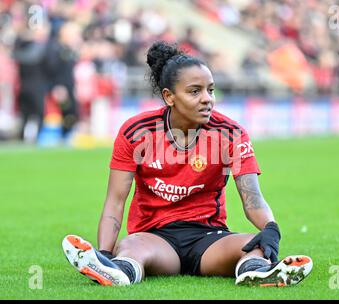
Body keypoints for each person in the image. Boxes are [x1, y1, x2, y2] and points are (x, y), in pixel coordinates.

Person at [62, 41, 313, 287]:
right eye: (195, 91)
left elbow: (252, 197)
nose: (207, 99)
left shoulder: (231, 134)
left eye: (210, 90)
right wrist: (105, 251)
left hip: (209, 238)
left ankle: (258, 273)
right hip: (154, 237)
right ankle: (115, 270)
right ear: (169, 96)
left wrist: (270, 228)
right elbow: (115, 201)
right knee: (130, 247)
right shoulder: (136, 132)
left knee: (254, 245)